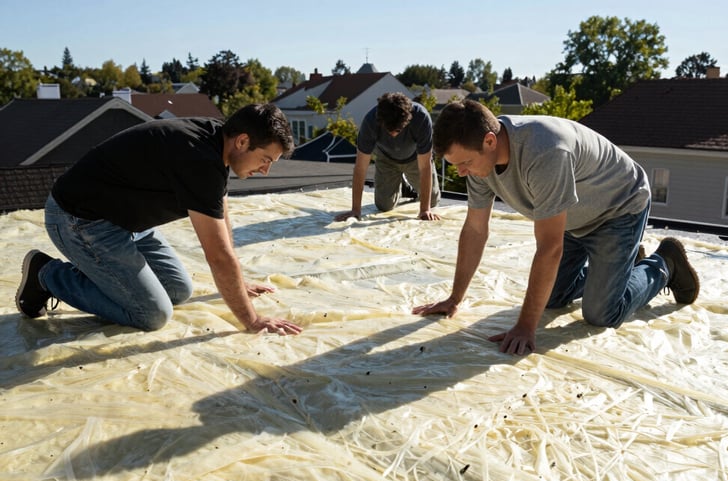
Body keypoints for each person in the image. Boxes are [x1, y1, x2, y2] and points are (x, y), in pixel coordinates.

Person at [413, 99, 699, 355]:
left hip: (618, 208)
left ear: (490, 141)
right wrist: (454, 298)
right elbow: (475, 230)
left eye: (465, 163)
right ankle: (620, 268)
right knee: (551, 298)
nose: (462, 172)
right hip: (571, 216)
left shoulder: (544, 151)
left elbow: (550, 248)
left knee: (601, 314)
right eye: (456, 166)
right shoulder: (478, 163)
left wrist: (526, 326)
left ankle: (664, 264)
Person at [16, 103, 302, 336]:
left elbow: (219, 208)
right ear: (243, 141)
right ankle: (46, 275)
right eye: (266, 159)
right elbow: (217, 255)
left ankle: (103, 277)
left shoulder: (217, 142)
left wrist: (236, 283)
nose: (265, 171)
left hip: (126, 222)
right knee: (152, 315)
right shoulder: (199, 159)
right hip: (80, 220)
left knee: (178, 290)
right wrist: (252, 321)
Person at [334, 92, 441, 222]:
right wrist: (355, 210)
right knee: (383, 206)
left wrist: (424, 210)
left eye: (398, 131)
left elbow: (425, 166)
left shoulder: (421, 118)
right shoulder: (370, 121)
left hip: (415, 159)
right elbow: (360, 167)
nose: (393, 135)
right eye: (389, 130)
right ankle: (400, 185)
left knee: (433, 200)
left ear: (407, 119)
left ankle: (408, 187)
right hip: (387, 159)